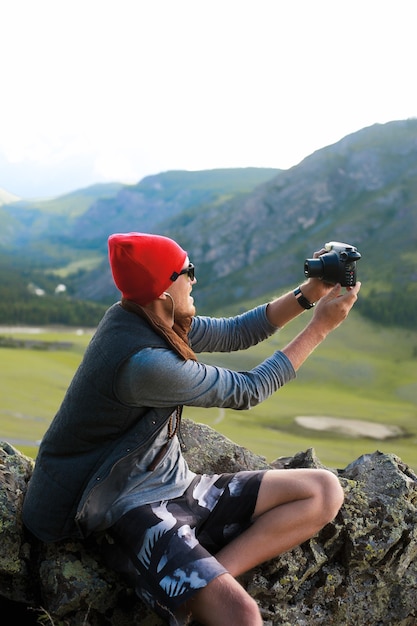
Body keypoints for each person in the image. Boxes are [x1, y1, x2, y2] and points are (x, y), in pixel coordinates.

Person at [23, 232, 361, 626]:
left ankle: (204, 579)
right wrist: (319, 329)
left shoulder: (148, 315)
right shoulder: (145, 364)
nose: (195, 280)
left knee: (323, 490)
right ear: (165, 292)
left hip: (181, 487)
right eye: (188, 272)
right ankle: (194, 587)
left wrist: (309, 293)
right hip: (130, 507)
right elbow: (247, 390)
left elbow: (237, 332)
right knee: (242, 615)